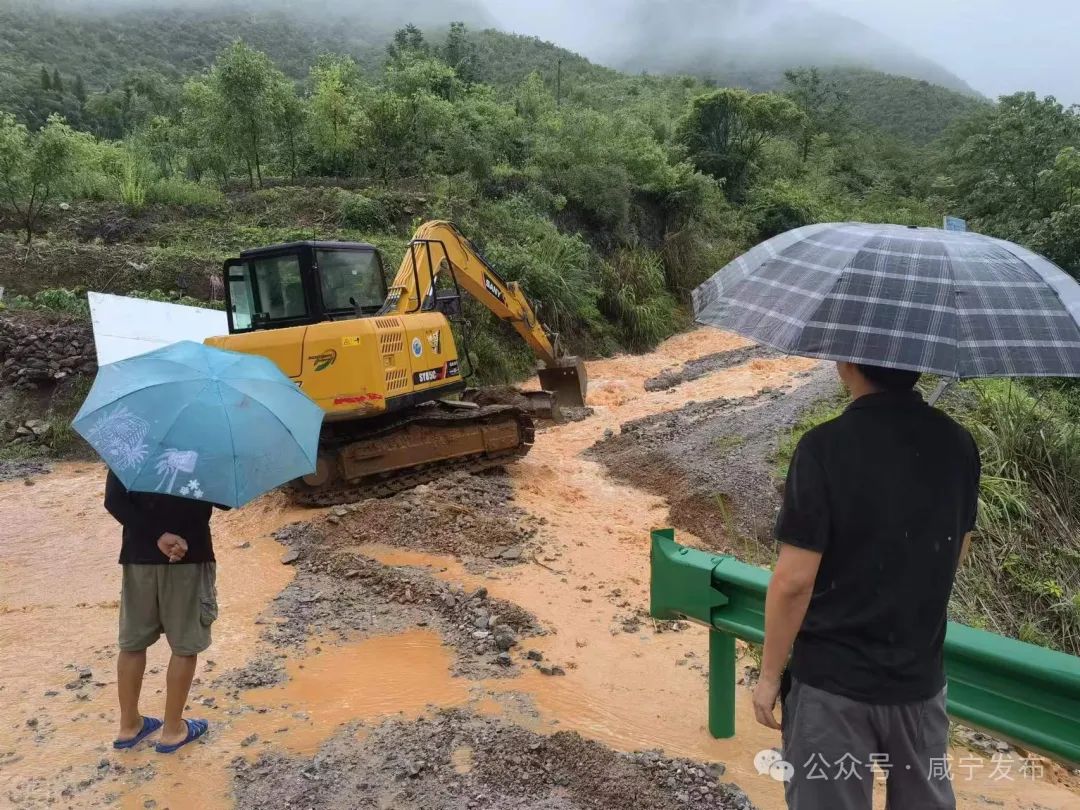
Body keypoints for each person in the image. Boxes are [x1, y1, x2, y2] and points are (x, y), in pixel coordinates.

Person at [752, 362, 980, 810]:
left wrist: (768, 676)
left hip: (831, 688)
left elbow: (795, 582)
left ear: (848, 363)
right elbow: (958, 551)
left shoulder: (824, 447)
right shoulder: (959, 445)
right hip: (919, 683)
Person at [104, 470, 224, 753]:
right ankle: (173, 731)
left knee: (133, 642)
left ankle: (129, 725)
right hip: (188, 556)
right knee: (184, 644)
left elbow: (114, 501)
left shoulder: (134, 439)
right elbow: (227, 501)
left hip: (138, 557)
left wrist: (157, 534)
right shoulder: (207, 444)